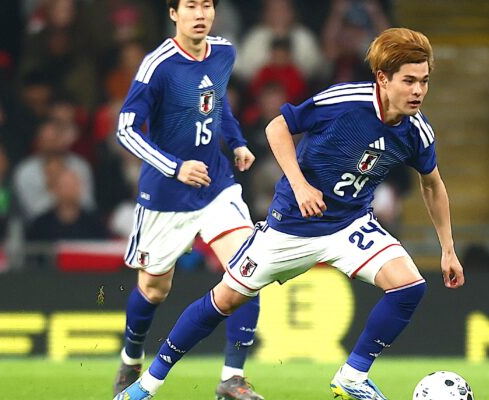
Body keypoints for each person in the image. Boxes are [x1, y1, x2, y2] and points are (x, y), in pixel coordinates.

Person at [115, 27, 465, 400]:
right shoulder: (345, 102)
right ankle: (147, 385)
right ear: (383, 78)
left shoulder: (417, 132)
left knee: (409, 286)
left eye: (424, 81)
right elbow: (277, 127)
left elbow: (432, 185)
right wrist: (299, 185)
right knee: (224, 301)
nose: (418, 91)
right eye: (409, 81)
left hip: (349, 225)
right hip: (291, 228)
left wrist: (447, 249)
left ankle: (352, 376)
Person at [111, 1, 263, 400]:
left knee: (249, 270)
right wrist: (175, 167)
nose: (200, 13)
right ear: (173, 13)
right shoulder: (158, 65)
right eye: (190, 5)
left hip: (216, 186)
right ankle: (130, 358)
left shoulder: (224, 52)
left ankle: (232, 378)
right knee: (154, 290)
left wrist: (237, 142)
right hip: (166, 195)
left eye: (206, 5)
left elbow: (217, 103)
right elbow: (126, 129)